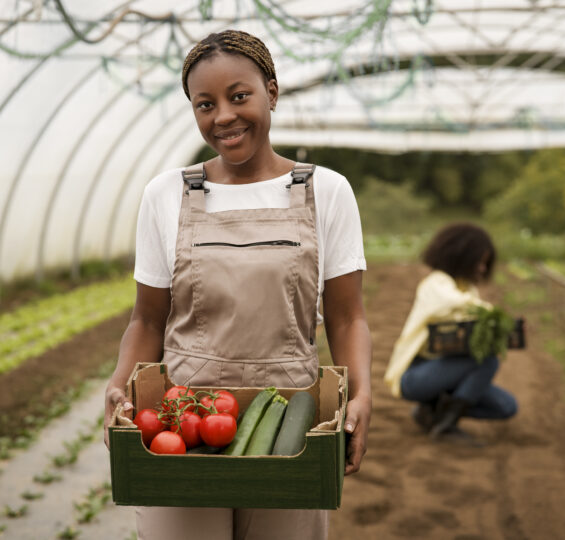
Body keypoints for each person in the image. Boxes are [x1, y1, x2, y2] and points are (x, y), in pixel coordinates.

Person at [102, 29, 372, 540]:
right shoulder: (165, 195)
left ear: (272, 91)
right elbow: (147, 319)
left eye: (239, 96)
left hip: (289, 426)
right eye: (205, 104)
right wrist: (120, 383)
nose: (223, 116)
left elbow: (347, 316)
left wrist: (362, 393)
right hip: (183, 423)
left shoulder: (327, 192)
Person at [384, 222, 517, 441]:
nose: (483, 269)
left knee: (506, 406)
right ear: (462, 256)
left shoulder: (467, 289)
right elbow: (448, 304)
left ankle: (432, 410)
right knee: (488, 361)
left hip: (445, 370)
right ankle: (446, 426)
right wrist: (490, 312)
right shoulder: (436, 283)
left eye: (486, 264)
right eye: (479, 262)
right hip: (416, 374)